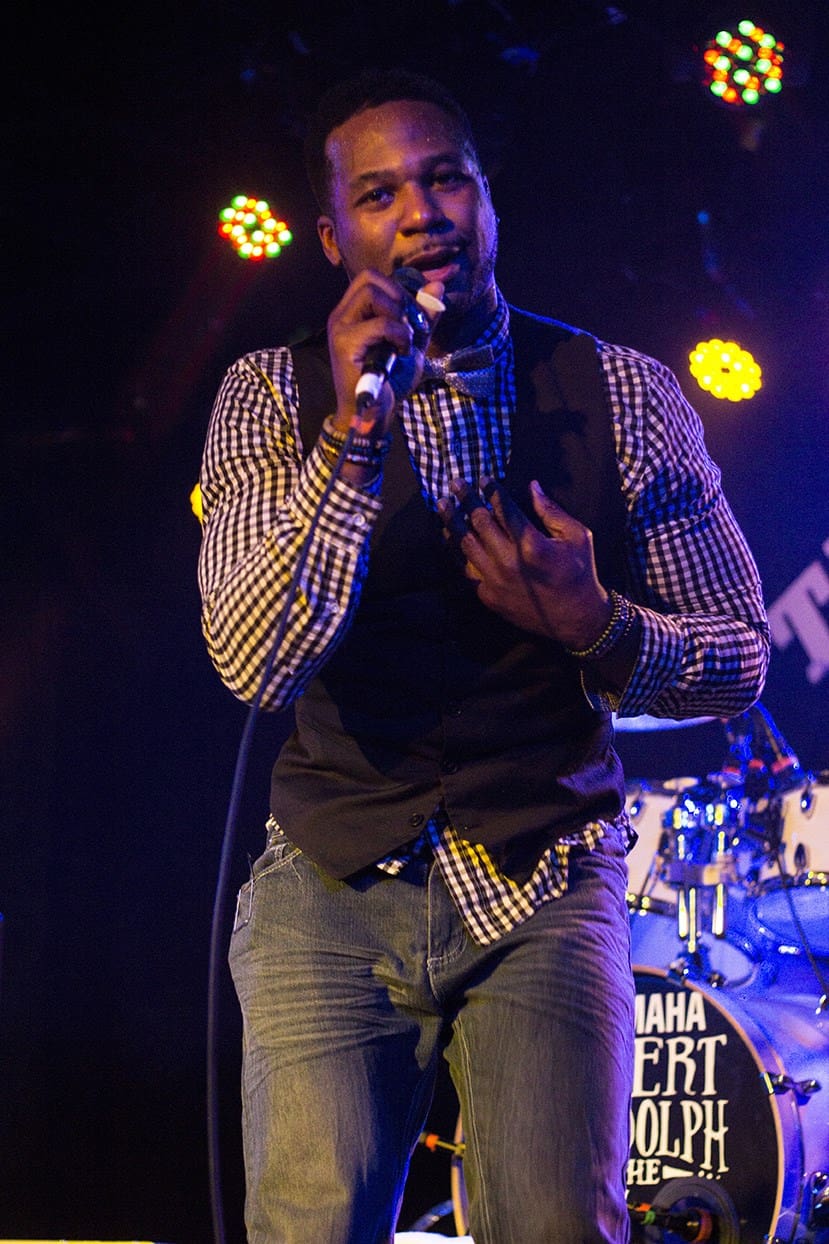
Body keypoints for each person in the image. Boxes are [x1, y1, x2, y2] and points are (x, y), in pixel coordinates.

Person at [197, 67, 769, 1244]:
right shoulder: (268, 397)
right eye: (379, 194)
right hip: (332, 881)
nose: (422, 213)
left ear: (487, 198)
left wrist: (594, 622)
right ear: (332, 237)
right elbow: (256, 661)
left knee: (557, 1225)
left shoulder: (626, 395)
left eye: (445, 179)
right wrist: (356, 432)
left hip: (544, 872)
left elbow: (738, 654)